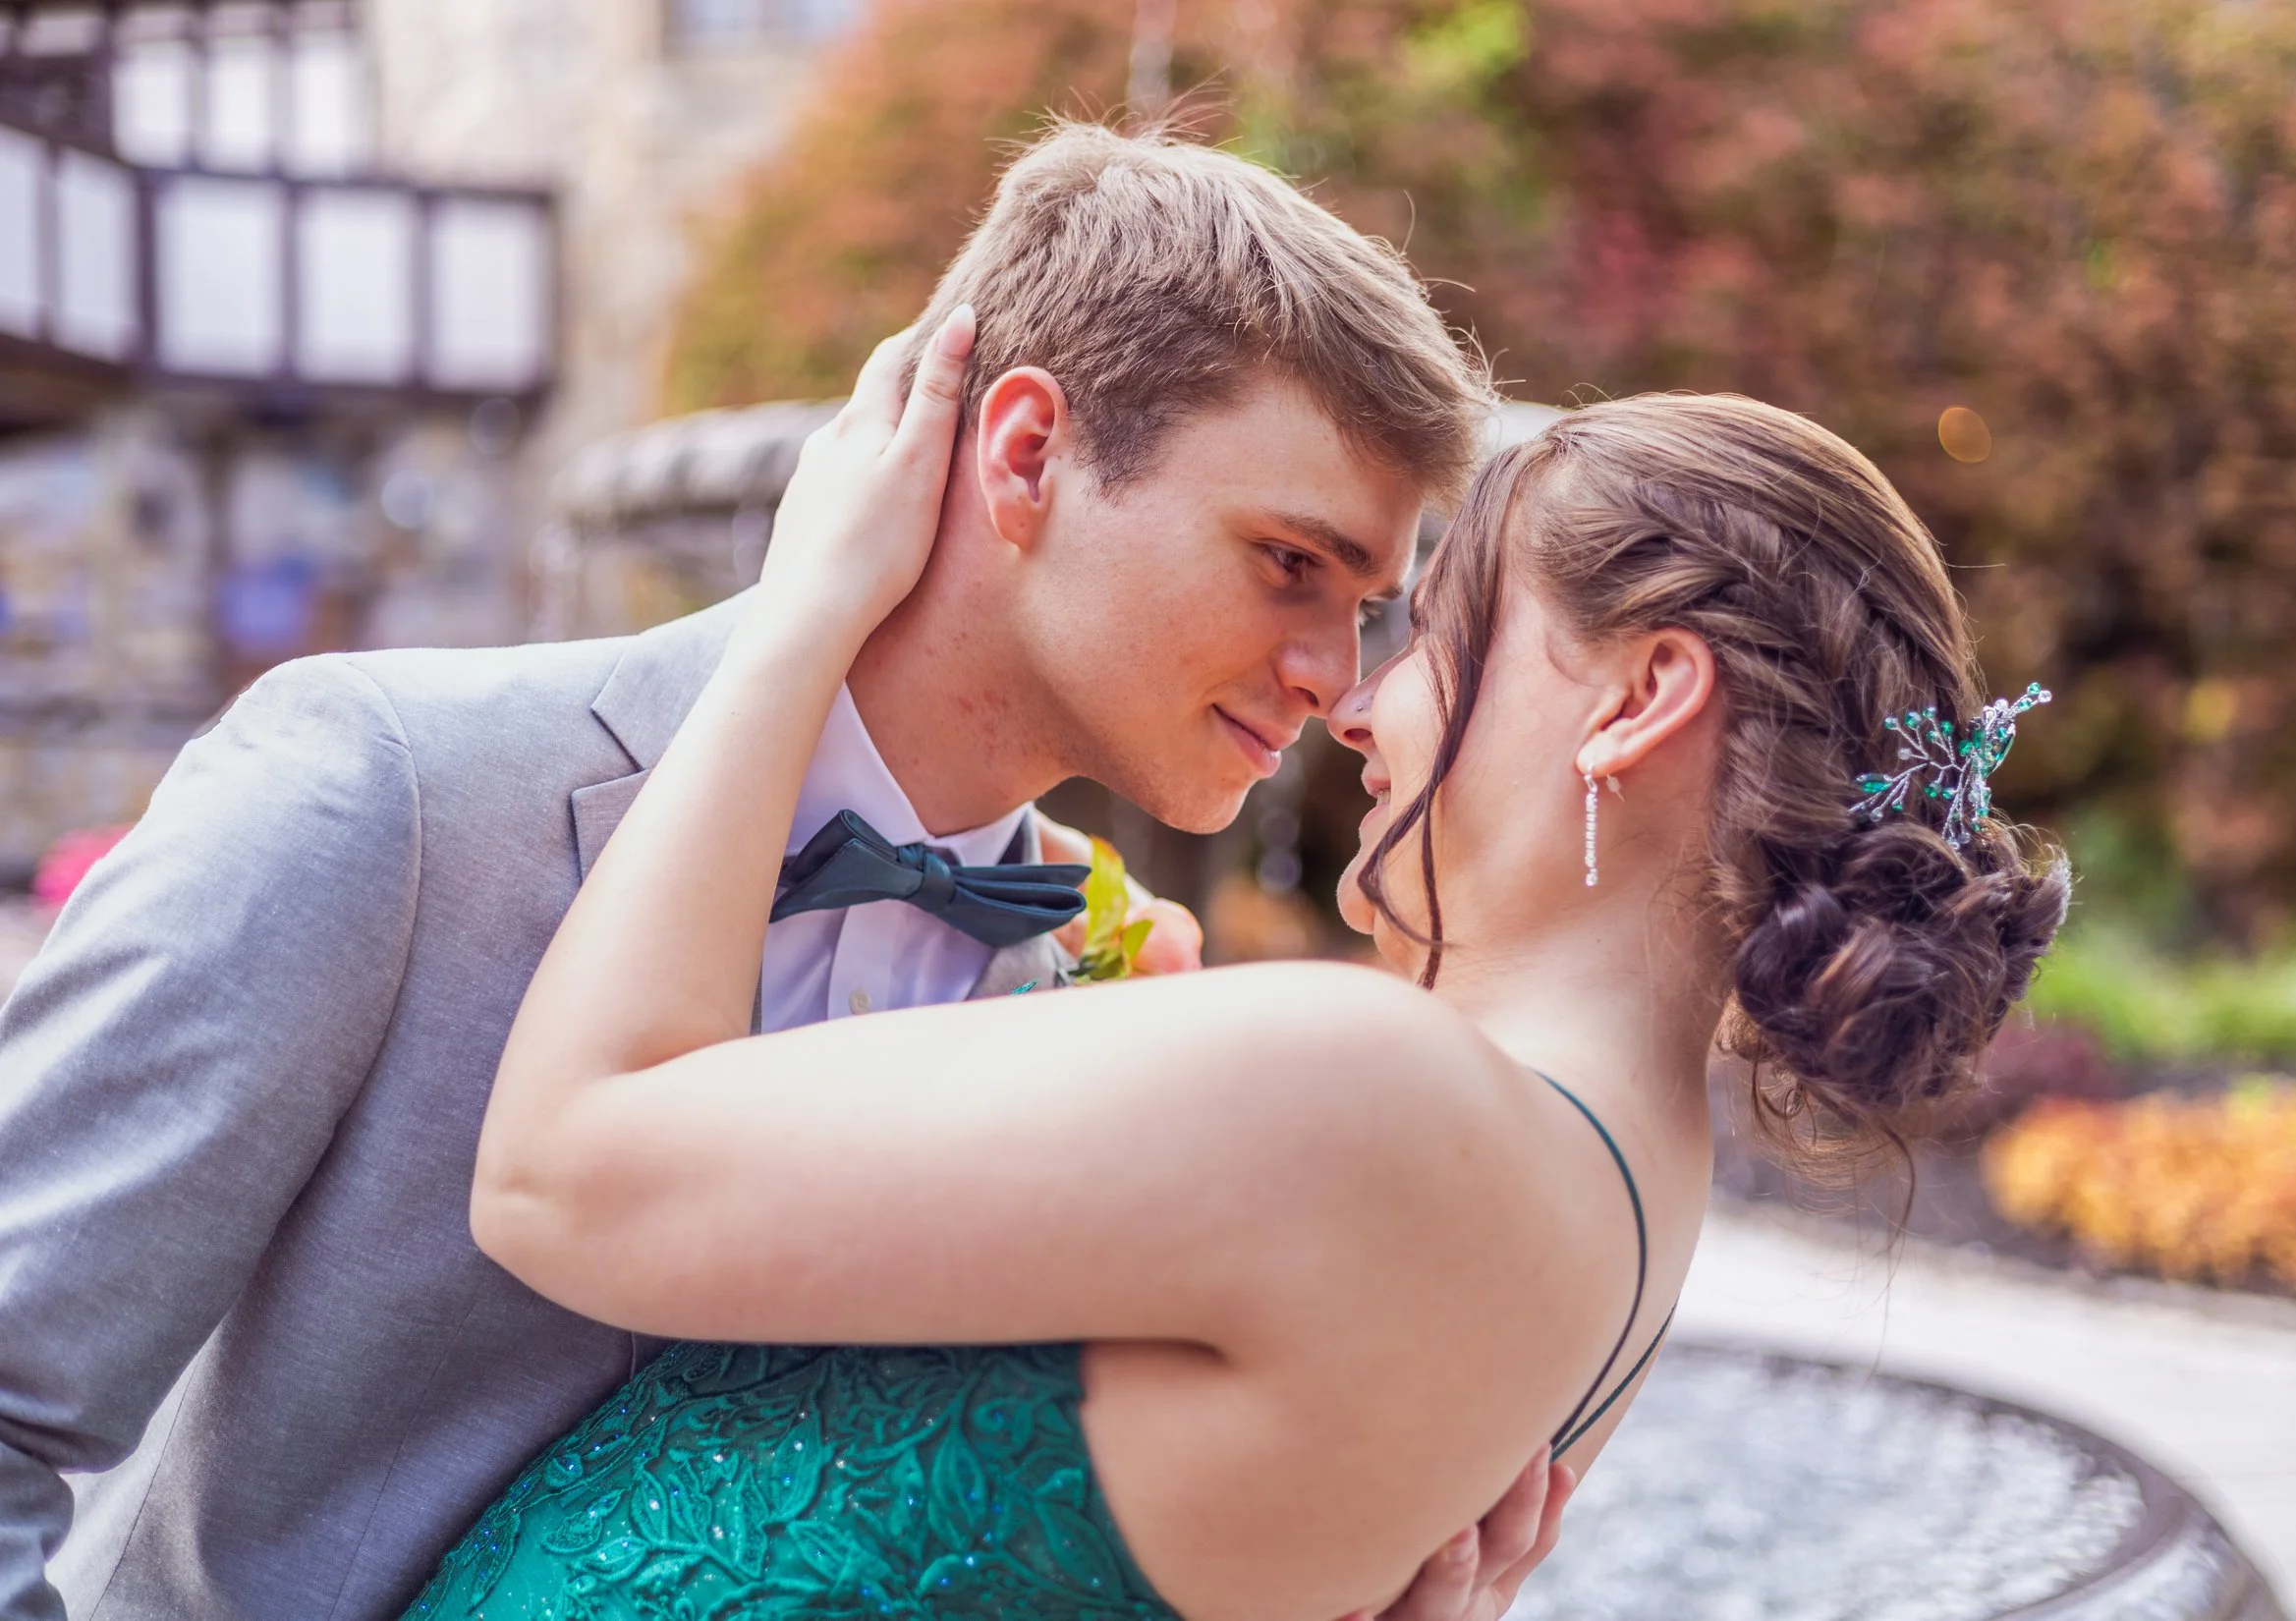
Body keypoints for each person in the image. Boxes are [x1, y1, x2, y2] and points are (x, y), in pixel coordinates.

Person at [0, 125, 1542, 1621]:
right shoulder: (379, 791)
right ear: (1027, 456)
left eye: (1368, 606)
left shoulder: (1107, 981)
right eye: (1290, 562)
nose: (1334, 675)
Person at [398, 313, 2072, 1618]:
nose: (1361, 705)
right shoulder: (1633, 1222)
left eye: (1438, 632)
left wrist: (804, 607)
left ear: (1636, 700)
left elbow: (560, 1171)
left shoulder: (1377, 1097)